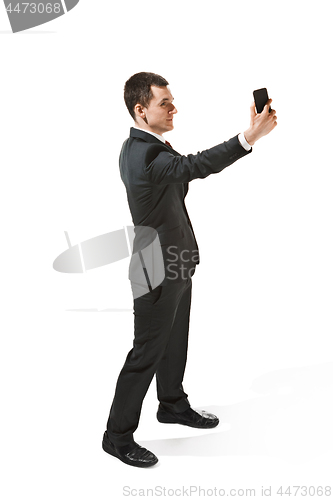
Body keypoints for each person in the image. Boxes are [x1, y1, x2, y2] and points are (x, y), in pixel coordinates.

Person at [102, 72, 277, 468]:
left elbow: (175, 182)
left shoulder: (144, 146)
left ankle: (172, 404)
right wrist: (248, 137)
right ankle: (116, 435)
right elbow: (195, 165)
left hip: (174, 260)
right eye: (165, 103)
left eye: (171, 100)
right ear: (140, 110)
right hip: (156, 267)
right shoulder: (147, 154)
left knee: (174, 338)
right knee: (146, 351)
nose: (174, 108)